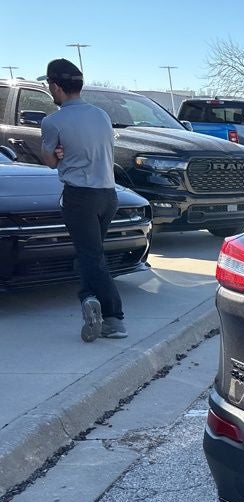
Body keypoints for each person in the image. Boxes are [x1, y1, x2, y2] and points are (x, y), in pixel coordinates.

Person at [40, 58, 127, 342]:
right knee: (92, 254)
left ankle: (113, 318)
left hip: (80, 197)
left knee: (91, 257)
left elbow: (49, 160)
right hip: (108, 195)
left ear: (55, 86)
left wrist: (60, 155)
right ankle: (90, 299)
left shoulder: (53, 121)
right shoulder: (101, 114)